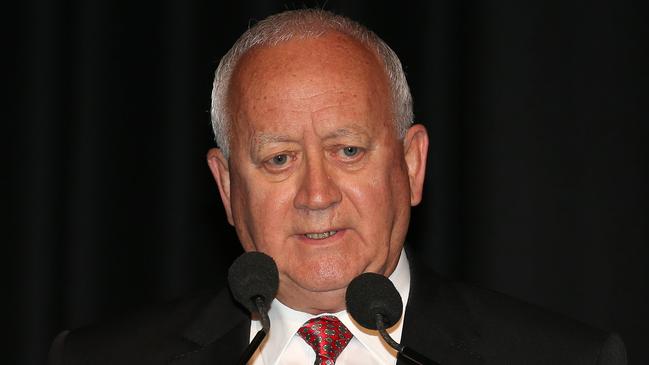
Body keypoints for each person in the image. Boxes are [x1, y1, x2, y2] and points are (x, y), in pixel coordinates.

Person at [49, 9, 627, 365]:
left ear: (412, 164)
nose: (316, 195)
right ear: (226, 187)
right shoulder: (99, 359)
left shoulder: (564, 358)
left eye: (348, 151)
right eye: (278, 158)